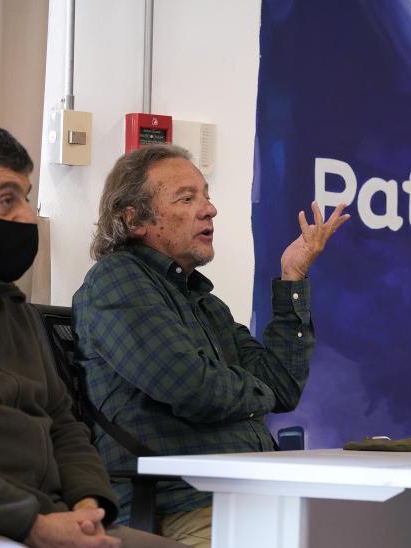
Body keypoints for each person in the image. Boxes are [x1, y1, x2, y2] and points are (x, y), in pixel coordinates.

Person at [0, 119, 182, 548]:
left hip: (49, 514)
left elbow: (63, 423)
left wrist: (88, 506)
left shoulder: (15, 310)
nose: (25, 216)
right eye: (6, 200)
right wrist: (32, 525)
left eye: (26, 197)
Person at [73, 144, 348, 546]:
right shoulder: (117, 279)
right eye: (187, 198)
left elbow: (283, 387)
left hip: (249, 496)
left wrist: (293, 277)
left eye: (206, 195)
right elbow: (191, 387)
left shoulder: (202, 300)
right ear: (134, 220)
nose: (209, 210)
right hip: (182, 504)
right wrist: (257, 394)